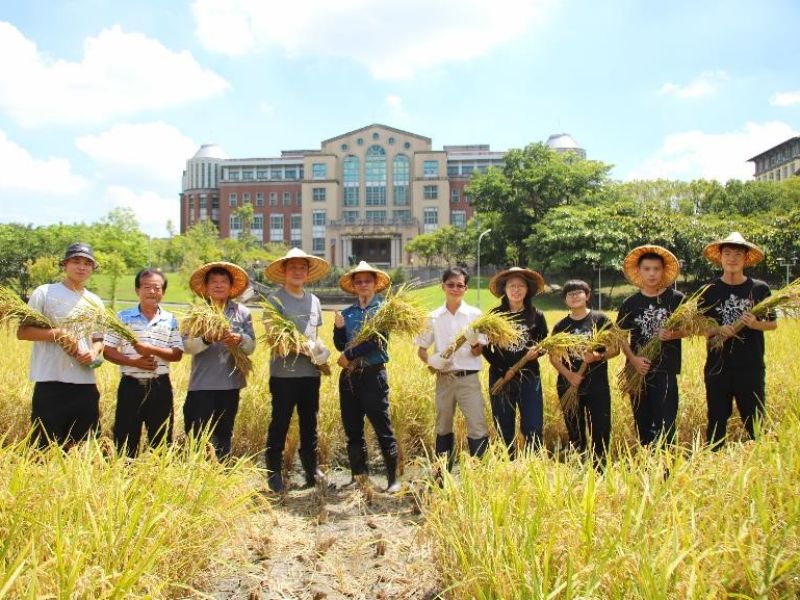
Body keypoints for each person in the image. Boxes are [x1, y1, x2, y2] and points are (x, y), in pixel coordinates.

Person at [17, 242, 104, 449]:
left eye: (87, 263)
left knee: (83, 449)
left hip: (85, 384)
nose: (81, 267)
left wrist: (93, 353)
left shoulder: (96, 301)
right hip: (51, 383)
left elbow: (99, 339)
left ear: (93, 268)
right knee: (44, 447)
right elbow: (23, 332)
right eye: (76, 261)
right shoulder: (44, 293)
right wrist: (57, 333)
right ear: (65, 264)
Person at [263, 248, 331, 493]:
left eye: (302, 268)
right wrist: (305, 349)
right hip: (284, 375)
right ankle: (273, 474)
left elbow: (316, 335)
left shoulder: (314, 301)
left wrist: (320, 351)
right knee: (279, 422)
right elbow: (273, 337)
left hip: (310, 375)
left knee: (310, 424)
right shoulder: (275, 299)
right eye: (293, 267)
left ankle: (311, 470)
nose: (297, 272)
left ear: (307, 272)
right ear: (284, 271)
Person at [699, 232, 776, 448]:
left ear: (745, 258)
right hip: (717, 367)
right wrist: (717, 329)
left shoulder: (759, 289)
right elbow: (698, 326)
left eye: (738, 254)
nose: (732, 258)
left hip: (750, 366)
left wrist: (754, 324)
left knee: (755, 421)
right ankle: (713, 462)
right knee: (716, 419)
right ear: (720, 257)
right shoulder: (709, 290)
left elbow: (772, 323)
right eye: (728, 253)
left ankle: (761, 461)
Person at [333, 261, 400, 492]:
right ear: (353, 285)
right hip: (350, 377)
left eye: (367, 281)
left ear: (375, 284)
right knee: (353, 428)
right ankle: (359, 477)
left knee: (383, 427)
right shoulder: (348, 313)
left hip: (373, 376)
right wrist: (338, 329)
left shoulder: (383, 310)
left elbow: (376, 341)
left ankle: (393, 479)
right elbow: (340, 344)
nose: (363, 285)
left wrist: (349, 354)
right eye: (358, 281)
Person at [415, 266, 489, 473]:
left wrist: (475, 342)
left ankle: (479, 474)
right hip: (444, 379)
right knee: (443, 425)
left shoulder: (475, 315)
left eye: (460, 285)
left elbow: (478, 352)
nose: (455, 289)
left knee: (477, 425)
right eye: (451, 285)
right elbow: (421, 349)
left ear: (466, 289)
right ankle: (442, 474)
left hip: (468, 379)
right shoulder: (433, 317)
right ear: (443, 286)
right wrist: (432, 361)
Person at [103, 268, 183, 457]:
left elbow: (177, 353)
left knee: (161, 439)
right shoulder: (123, 317)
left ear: (162, 292)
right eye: (147, 287)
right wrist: (134, 362)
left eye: (157, 287)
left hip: (160, 386)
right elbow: (108, 350)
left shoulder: (170, 320)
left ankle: (156, 481)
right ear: (137, 290)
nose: (152, 291)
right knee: (125, 438)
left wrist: (151, 350)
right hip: (131, 386)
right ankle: (125, 479)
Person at [183, 262, 255, 461]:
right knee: (197, 436)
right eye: (213, 281)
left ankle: (222, 474)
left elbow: (251, 347)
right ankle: (196, 475)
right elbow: (186, 346)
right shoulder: (196, 314)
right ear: (205, 287)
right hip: (201, 385)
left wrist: (240, 340)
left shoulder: (242, 312)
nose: (218, 285)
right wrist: (206, 338)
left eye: (224, 281)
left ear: (231, 287)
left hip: (231, 385)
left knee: (224, 433)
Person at [616, 245, 685, 446]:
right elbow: (620, 336)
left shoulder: (676, 299)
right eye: (647, 269)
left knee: (666, 423)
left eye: (656, 269)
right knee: (643, 423)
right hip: (638, 372)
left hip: (665, 369)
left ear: (663, 271)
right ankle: (647, 467)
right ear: (639, 271)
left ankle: (666, 469)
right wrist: (633, 360)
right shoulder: (630, 303)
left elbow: (691, 329)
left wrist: (673, 334)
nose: (652, 273)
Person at [482, 267, 548, 458]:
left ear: (528, 290)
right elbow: (485, 348)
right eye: (512, 286)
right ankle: (508, 462)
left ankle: (533, 464)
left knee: (533, 423)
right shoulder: (495, 316)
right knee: (503, 423)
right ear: (505, 289)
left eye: (521, 286)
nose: (516, 289)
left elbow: (543, 343)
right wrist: (504, 370)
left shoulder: (537, 315)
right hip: (501, 376)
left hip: (529, 376)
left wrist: (538, 352)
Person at [549, 280, 617, 465]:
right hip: (569, 385)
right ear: (565, 300)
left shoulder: (600, 320)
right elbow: (554, 357)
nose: (574, 296)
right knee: (574, 430)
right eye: (569, 294)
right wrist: (569, 375)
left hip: (597, 384)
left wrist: (596, 356)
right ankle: (579, 465)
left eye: (578, 292)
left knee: (601, 428)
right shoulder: (561, 326)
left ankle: (600, 467)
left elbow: (615, 348)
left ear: (587, 296)